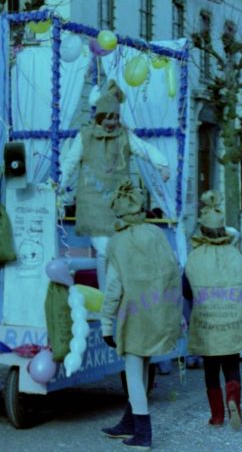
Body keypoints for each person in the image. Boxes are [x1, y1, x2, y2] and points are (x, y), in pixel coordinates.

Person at [60, 80, 170, 290]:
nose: (111, 122)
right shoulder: (85, 136)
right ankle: (106, 295)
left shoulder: (124, 136)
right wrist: (59, 184)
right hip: (94, 205)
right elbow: (70, 162)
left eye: (115, 117)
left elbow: (144, 149)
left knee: (119, 250)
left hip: (120, 207)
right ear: (99, 116)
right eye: (108, 117)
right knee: (104, 251)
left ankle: (118, 294)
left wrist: (162, 165)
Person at [99, 181, 181, 449]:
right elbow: (173, 271)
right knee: (144, 365)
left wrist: (106, 323)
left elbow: (114, 287)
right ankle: (129, 423)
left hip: (133, 314)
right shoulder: (157, 234)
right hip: (159, 310)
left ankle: (143, 433)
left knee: (133, 371)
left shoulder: (117, 242)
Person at [184, 191, 242, 430]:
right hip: (232, 320)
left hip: (207, 321)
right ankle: (234, 400)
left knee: (211, 369)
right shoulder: (236, 255)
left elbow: (186, 291)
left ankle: (217, 415)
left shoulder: (194, 257)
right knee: (232, 365)